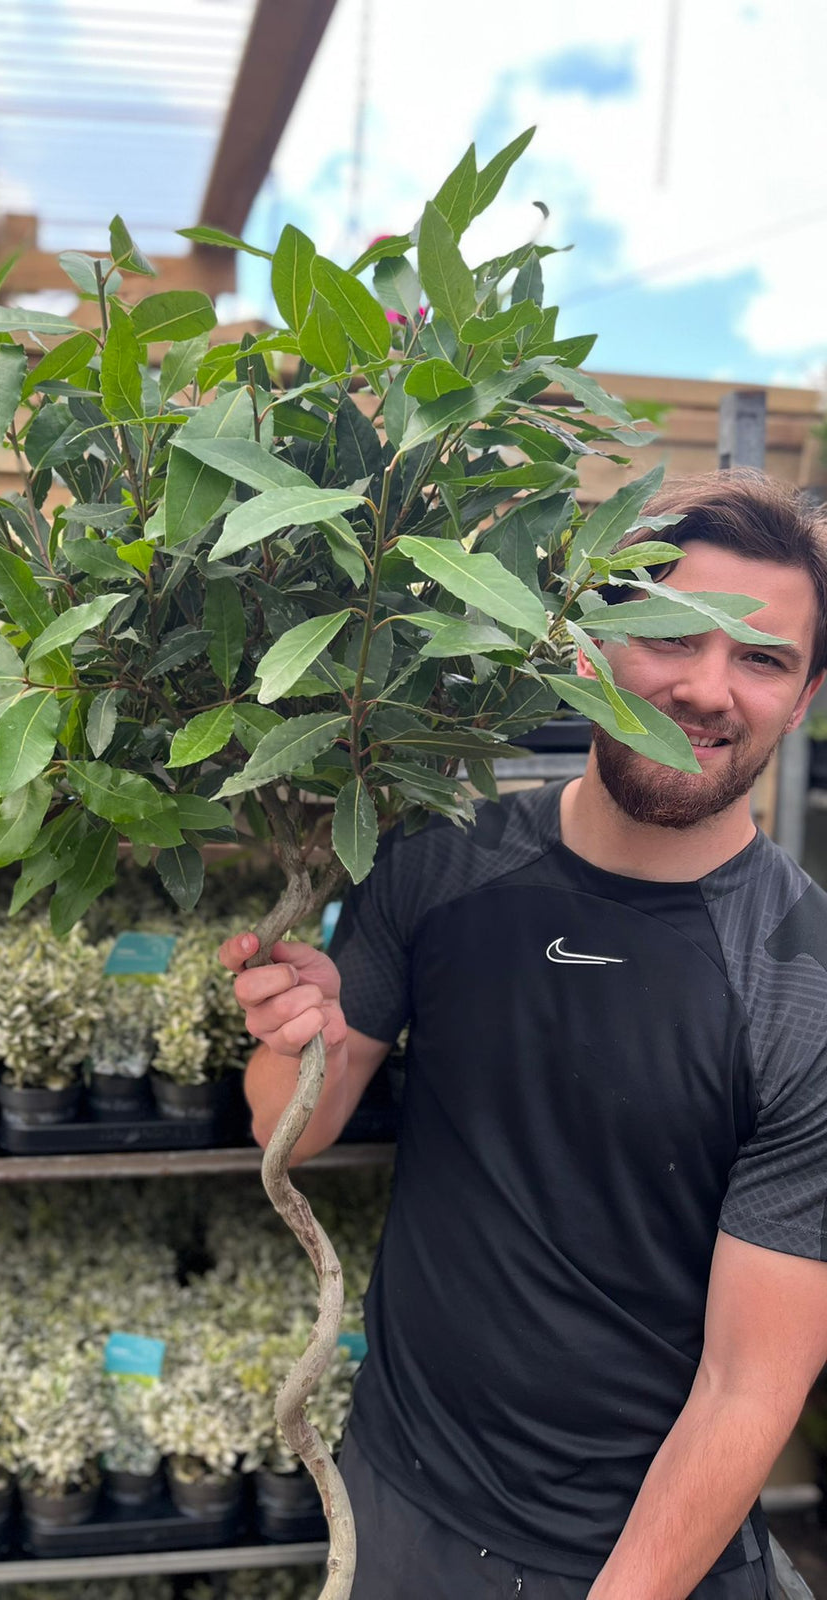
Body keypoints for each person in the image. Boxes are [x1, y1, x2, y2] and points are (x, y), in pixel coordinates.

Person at [219, 471, 827, 1600]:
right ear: (590, 638)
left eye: (763, 658)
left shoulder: (805, 986)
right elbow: (287, 1131)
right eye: (672, 634)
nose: (706, 688)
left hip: (645, 1553)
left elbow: (751, 1383)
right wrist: (291, 1030)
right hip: (399, 1498)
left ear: (804, 698)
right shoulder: (439, 859)